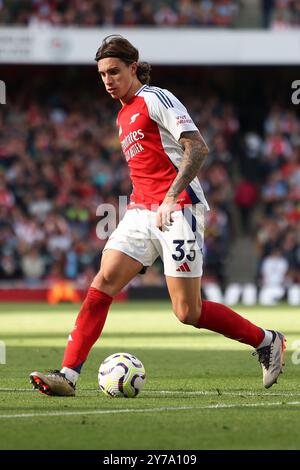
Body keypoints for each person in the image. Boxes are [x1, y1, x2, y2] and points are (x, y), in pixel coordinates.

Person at [30, 35, 286, 397]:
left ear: (133, 68)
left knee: (187, 311)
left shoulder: (156, 99)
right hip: (140, 211)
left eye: (114, 71)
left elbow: (197, 147)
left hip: (180, 209)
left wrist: (170, 198)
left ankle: (266, 340)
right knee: (102, 283)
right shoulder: (121, 114)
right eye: (102, 73)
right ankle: (68, 375)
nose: (107, 80)